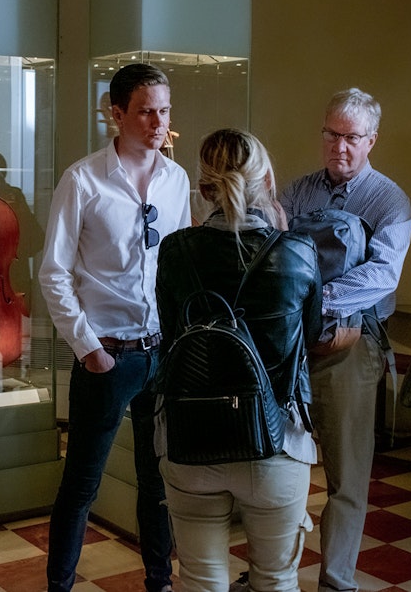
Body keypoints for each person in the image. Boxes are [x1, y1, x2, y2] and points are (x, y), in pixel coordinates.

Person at [39, 63, 191, 592]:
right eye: (147, 110)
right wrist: (87, 349)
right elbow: (53, 273)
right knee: (82, 484)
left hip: (161, 354)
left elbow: (179, 266)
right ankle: (59, 586)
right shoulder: (83, 179)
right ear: (117, 113)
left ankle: (159, 582)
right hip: (107, 354)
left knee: (157, 484)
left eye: (165, 110)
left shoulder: (177, 180)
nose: (158, 121)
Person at [154, 128, 322, 592]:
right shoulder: (298, 253)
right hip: (277, 441)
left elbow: (172, 339)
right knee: (275, 579)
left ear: (203, 188)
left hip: (190, 437)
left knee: (200, 580)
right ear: (266, 179)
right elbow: (307, 340)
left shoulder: (175, 251)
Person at [279, 87, 411, 592]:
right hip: (292, 344)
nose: (339, 146)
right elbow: (274, 252)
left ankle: (336, 582)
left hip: (353, 345)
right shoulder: (294, 193)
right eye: (332, 134)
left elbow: (383, 275)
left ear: (371, 140)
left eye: (351, 137)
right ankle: (276, 573)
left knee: (347, 476)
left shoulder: (389, 200)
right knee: (279, 463)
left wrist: (315, 297)